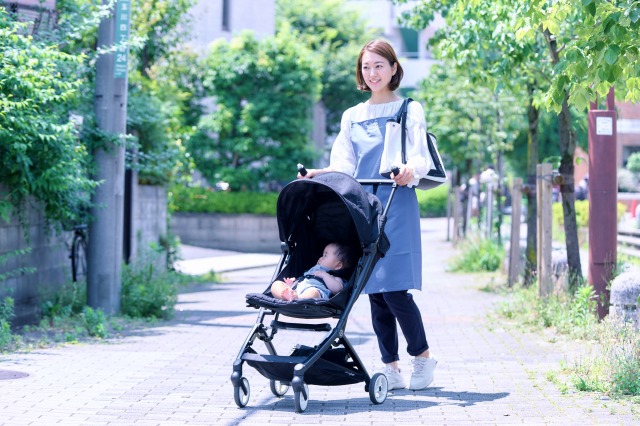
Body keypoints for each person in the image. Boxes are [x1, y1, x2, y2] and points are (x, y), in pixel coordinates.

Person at [300, 39, 437, 391]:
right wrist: (319, 174)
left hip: (397, 200)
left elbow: (419, 155)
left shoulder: (410, 109)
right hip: (362, 205)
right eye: (366, 67)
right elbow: (343, 164)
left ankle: (422, 357)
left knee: (395, 290)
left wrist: (409, 170)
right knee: (375, 290)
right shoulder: (352, 115)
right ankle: (391, 367)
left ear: (393, 68)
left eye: (379, 65)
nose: (372, 73)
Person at [270, 242, 355, 301]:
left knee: (313, 292)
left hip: (313, 292)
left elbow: (337, 289)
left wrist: (325, 275)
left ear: (338, 265)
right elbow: (304, 279)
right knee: (276, 284)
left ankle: (298, 299)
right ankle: (287, 296)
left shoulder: (335, 277)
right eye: (322, 255)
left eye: (325, 255)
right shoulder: (313, 270)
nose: (320, 258)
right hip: (297, 289)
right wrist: (293, 284)